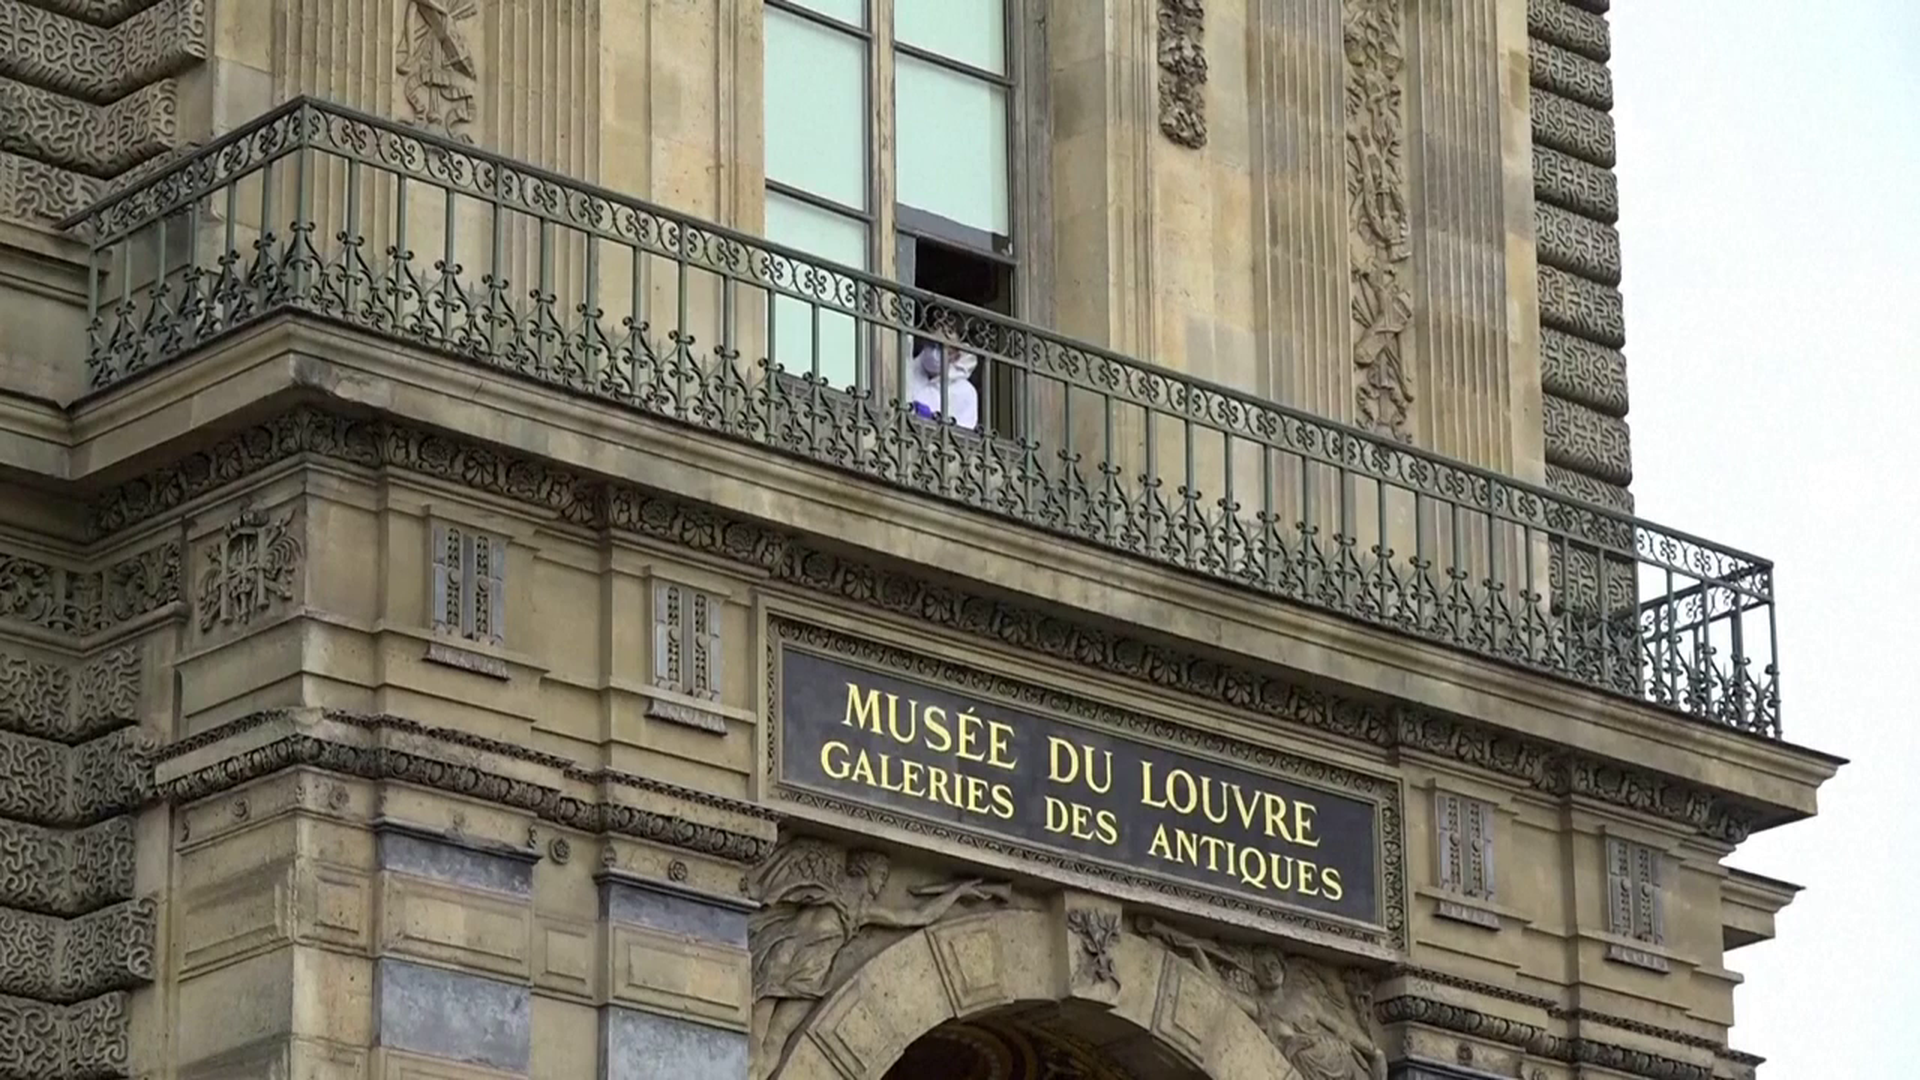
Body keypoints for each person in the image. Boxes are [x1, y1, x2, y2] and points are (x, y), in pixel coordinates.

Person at [905, 303, 980, 431]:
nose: (935, 353)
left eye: (943, 348)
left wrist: (934, 422)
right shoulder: (906, 371)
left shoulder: (965, 392)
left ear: (957, 353)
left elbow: (963, 439)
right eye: (933, 344)